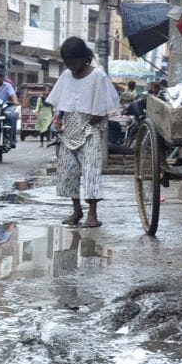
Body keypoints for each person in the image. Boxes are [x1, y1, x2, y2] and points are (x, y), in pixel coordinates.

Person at [47, 36, 120, 228]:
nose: (71, 66)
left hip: (91, 130)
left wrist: (94, 118)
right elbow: (62, 101)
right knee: (68, 172)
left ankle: (92, 215)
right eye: (68, 63)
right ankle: (76, 210)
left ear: (84, 58)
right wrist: (59, 118)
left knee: (90, 173)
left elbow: (104, 107)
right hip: (68, 130)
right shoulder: (65, 76)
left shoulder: (98, 76)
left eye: (74, 62)